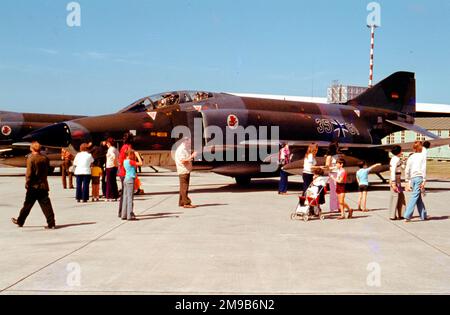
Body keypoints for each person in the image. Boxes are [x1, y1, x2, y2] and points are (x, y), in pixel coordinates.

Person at [11, 142, 56, 229]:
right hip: (43, 185)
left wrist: (27, 182)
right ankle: (52, 223)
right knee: (46, 206)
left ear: (32, 149)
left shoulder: (31, 159)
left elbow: (29, 173)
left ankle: (20, 221)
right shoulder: (45, 158)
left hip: (33, 185)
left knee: (27, 205)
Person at [404, 141, 428, 222]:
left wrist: (407, 180)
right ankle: (407, 215)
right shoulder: (422, 156)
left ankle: (423, 215)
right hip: (419, 177)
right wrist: (424, 180)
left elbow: (407, 169)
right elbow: (423, 168)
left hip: (412, 178)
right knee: (415, 196)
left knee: (418, 197)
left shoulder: (411, 157)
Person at [121, 149, 143, 221]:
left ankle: (123, 214)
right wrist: (138, 155)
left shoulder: (125, 161)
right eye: (132, 154)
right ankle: (130, 214)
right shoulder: (130, 161)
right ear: (129, 155)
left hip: (126, 179)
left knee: (125, 197)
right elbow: (140, 163)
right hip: (130, 179)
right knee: (130, 198)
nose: (133, 155)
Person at [175, 138, 197, 209]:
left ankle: (181, 201)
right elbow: (183, 160)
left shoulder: (183, 148)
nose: (190, 144)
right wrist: (192, 156)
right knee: (185, 187)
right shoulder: (181, 150)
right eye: (189, 143)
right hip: (183, 170)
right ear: (185, 142)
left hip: (185, 170)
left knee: (182, 187)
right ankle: (186, 203)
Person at [118, 132, 134, 216]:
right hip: (127, 173)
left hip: (122, 173)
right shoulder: (128, 148)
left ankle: (122, 212)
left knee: (124, 194)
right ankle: (129, 212)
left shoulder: (123, 147)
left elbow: (120, 161)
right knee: (129, 195)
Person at [389, 146, 406, 220]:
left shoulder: (397, 159)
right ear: (399, 151)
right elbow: (392, 171)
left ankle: (401, 214)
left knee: (401, 197)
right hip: (395, 179)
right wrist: (393, 183)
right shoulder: (394, 159)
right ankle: (392, 215)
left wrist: (404, 161)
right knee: (395, 196)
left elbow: (402, 167)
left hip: (398, 179)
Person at [325, 143, 340, 212]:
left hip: (339, 173)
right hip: (333, 174)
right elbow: (327, 167)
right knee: (333, 192)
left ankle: (339, 206)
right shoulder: (329, 157)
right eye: (337, 147)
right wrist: (334, 167)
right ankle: (333, 208)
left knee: (339, 191)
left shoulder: (337, 156)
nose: (338, 148)